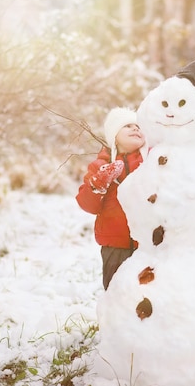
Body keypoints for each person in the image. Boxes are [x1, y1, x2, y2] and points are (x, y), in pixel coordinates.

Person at [76, 107, 147, 290]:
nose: (135, 129)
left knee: (147, 293)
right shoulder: (100, 166)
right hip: (115, 244)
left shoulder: (150, 161)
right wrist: (98, 184)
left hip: (147, 244)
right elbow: (87, 205)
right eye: (128, 126)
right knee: (117, 291)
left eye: (138, 126)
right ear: (114, 135)